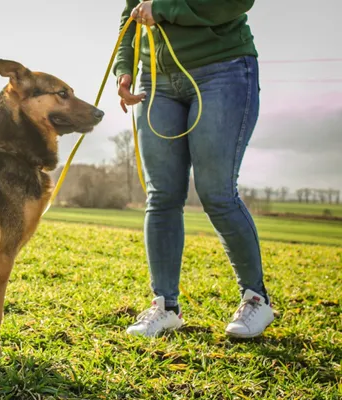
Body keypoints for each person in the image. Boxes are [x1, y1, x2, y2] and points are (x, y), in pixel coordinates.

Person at [113, 0, 274, 338]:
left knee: (216, 193)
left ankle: (256, 299)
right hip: (156, 81)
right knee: (162, 195)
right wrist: (124, 68)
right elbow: (129, 14)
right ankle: (165, 306)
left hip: (223, 70)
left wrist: (165, 8)